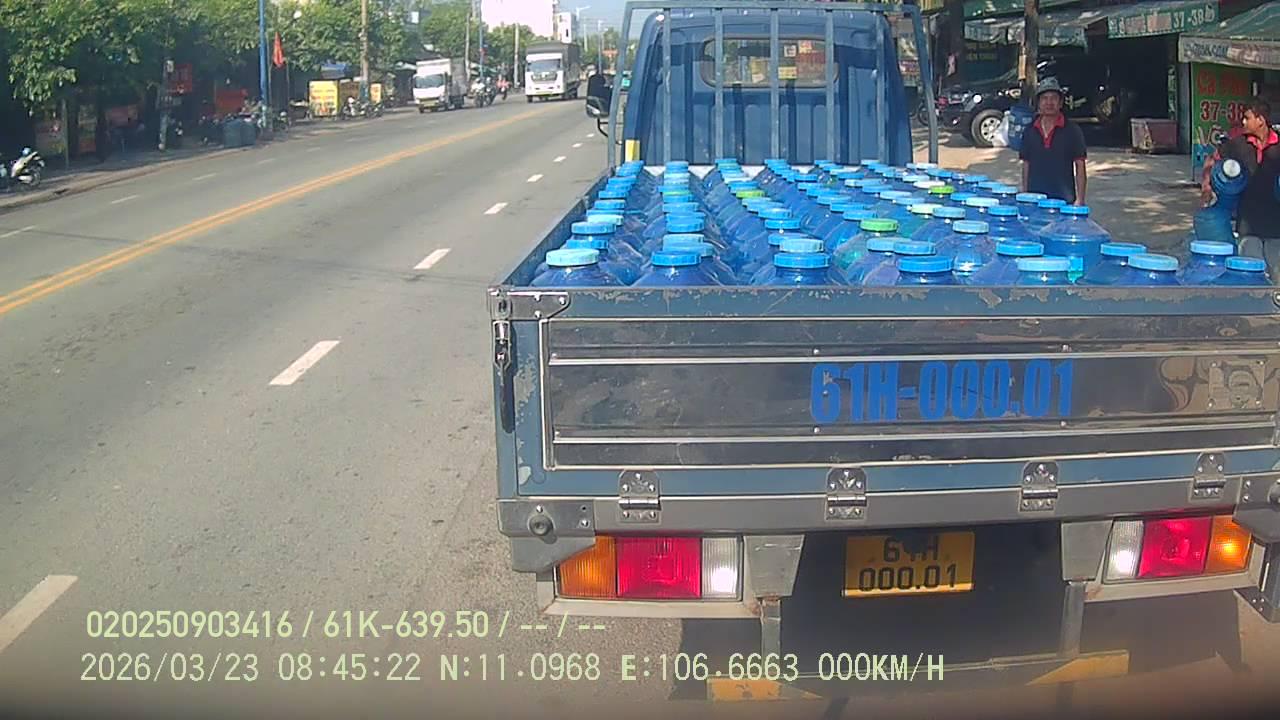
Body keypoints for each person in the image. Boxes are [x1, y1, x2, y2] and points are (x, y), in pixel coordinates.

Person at [1200, 97, 1280, 274]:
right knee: (1251, 274)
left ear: (1260, 120)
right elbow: (1212, 160)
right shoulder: (1238, 144)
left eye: (1247, 118)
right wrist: (1206, 187)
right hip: (1248, 222)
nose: (1243, 122)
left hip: (1276, 224)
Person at [1020, 77, 1087, 205]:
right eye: (1044, 98)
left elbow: (1080, 165)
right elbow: (1026, 164)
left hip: (1064, 201)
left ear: (1060, 103)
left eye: (1054, 98)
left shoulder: (1072, 130)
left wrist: (1080, 199)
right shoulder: (1029, 130)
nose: (1049, 103)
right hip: (1035, 200)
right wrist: (1025, 194)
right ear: (1038, 103)